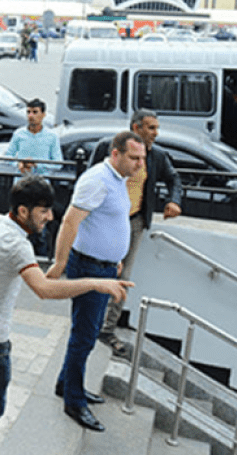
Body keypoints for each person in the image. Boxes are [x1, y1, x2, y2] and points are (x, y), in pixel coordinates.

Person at [0, 176, 132, 455]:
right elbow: (44, 289)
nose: (50, 216)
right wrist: (97, 283)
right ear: (23, 211)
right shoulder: (18, 245)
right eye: (43, 210)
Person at [45, 131, 145, 432]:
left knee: (84, 333)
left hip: (103, 267)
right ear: (116, 154)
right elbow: (71, 221)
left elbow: (106, 221)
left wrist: (114, 256)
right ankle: (74, 401)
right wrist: (60, 262)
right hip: (89, 268)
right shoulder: (97, 179)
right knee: (85, 336)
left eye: (142, 158)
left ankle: (66, 384)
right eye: (134, 157)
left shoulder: (115, 180)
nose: (140, 164)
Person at [88, 110, 182, 357]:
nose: (155, 133)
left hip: (134, 221)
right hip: (105, 219)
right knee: (99, 269)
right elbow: (86, 180)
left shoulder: (157, 156)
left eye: (156, 128)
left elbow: (174, 179)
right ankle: (89, 320)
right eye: (150, 128)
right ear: (136, 128)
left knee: (124, 275)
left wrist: (174, 201)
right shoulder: (107, 148)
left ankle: (106, 329)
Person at [4, 98, 62, 259]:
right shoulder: (19, 134)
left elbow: (58, 163)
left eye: (35, 112)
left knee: (39, 228)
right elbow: (8, 156)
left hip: (41, 187)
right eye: (28, 112)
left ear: (43, 114)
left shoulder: (51, 137)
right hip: (21, 185)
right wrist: (19, 164)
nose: (31, 116)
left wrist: (37, 165)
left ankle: (39, 260)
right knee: (17, 224)